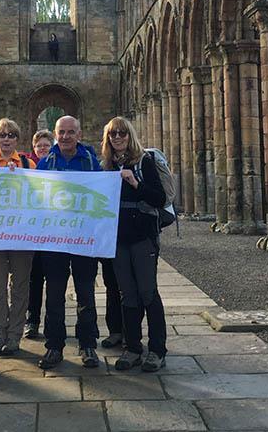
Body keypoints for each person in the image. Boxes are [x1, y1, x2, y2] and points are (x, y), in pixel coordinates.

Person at [34, 115, 103, 369]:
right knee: (54, 294)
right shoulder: (45, 162)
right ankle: (54, 346)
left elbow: (101, 195)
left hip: (83, 238)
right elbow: (35, 197)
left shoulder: (91, 162)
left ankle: (88, 345)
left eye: (70, 132)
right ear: (55, 134)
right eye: (61, 132)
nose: (65, 137)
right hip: (55, 239)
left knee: (86, 292)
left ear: (79, 134)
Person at [99, 116, 167, 372]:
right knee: (127, 293)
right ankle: (133, 347)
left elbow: (159, 198)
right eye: (113, 134)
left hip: (142, 237)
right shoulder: (105, 166)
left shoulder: (143, 162)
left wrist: (135, 183)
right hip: (118, 239)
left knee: (148, 292)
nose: (117, 137)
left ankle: (158, 349)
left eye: (122, 133)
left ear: (130, 135)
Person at [0, 118, 36, 355]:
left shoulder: (29, 164)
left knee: (20, 287)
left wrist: (22, 178)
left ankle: (14, 337)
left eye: (11, 135)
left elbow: (39, 197)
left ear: (17, 139)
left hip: (22, 236)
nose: (6, 139)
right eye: (1, 135)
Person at [24, 129, 55, 339]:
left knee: (54, 279)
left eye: (46, 145)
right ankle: (31, 320)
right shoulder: (26, 167)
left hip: (55, 233)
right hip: (32, 234)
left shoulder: (58, 165)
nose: (42, 148)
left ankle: (52, 323)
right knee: (33, 279)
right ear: (33, 147)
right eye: (39, 145)